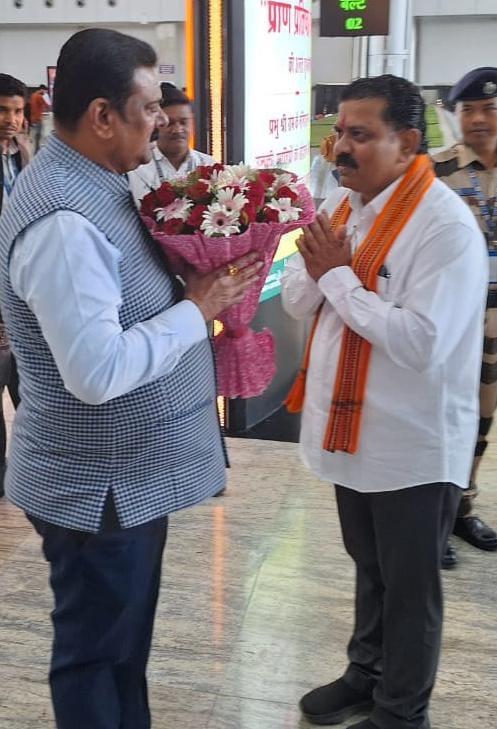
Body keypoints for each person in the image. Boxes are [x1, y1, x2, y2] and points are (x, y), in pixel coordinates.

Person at [0, 28, 262, 729]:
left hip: (123, 479)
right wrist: (196, 309)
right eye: (148, 108)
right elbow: (96, 371)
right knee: (95, 656)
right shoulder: (63, 219)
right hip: (97, 489)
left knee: (121, 651)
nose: (160, 122)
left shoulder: (103, 182)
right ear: (101, 116)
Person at [281, 75, 487, 729]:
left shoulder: (443, 226)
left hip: (410, 441)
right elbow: (296, 298)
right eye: (340, 132)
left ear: (406, 142)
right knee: (368, 565)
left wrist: (338, 277)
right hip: (352, 433)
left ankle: (402, 711)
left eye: (360, 135)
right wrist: (323, 272)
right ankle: (365, 674)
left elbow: (421, 343)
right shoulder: (343, 206)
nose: (341, 147)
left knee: (409, 586)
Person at [433, 67, 497, 569]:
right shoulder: (434, 171)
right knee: (443, 415)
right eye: (468, 110)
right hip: (453, 315)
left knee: (481, 417)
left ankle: (462, 508)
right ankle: (433, 518)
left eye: (489, 109)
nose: (478, 119)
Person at [0, 73, 30, 496]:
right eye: (3, 111)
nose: (12, 119)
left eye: (18, 111)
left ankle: (34, 469)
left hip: (21, 291)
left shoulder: (23, 155)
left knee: (31, 388)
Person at [128, 84, 215, 204]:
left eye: (183, 122)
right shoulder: (136, 168)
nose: (178, 130)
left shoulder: (209, 165)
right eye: (170, 123)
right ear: (156, 124)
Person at [29, 83, 50, 152]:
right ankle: (37, 149)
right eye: (45, 91)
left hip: (33, 118)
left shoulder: (33, 95)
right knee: (39, 134)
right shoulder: (39, 97)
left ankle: (36, 148)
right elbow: (47, 106)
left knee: (36, 133)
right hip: (38, 118)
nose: (45, 92)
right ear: (42, 89)